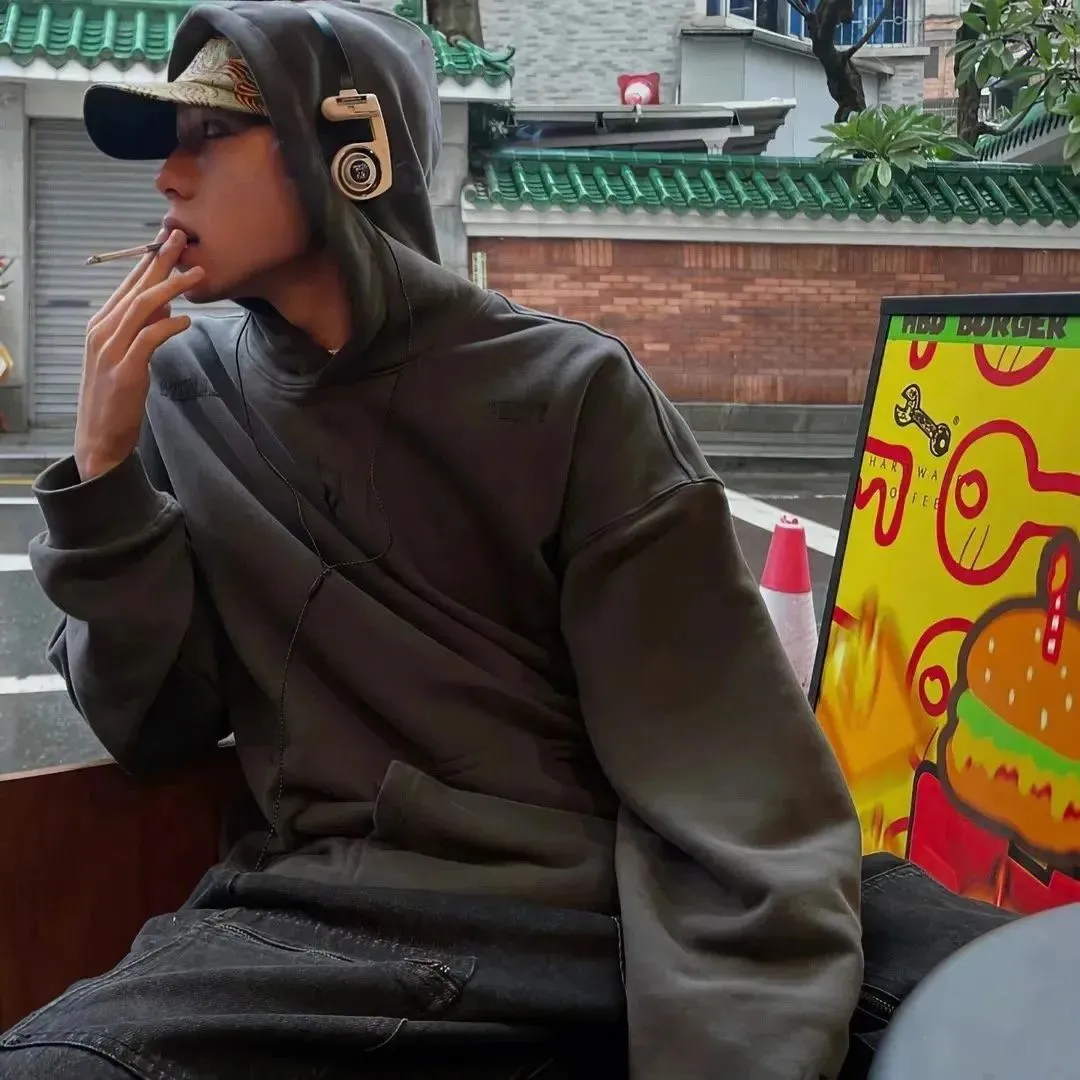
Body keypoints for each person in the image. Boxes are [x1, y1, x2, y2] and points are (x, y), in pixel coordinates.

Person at [0, 2, 863, 1077]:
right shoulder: (185, 393)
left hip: (568, 927)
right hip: (313, 923)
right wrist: (103, 475)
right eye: (166, 145)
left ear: (349, 153)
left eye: (209, 133)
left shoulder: (570, 391)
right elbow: (154, 728)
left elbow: (726, 769)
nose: (168, 178)